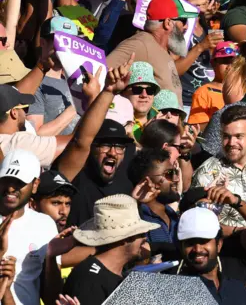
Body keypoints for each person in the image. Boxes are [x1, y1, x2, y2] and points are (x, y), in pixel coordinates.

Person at [53, 56, 136, 226]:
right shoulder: (76, 172)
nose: (112, 152)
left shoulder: (130, 171)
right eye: (105, 145)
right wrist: (109, 91)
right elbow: (81, 142)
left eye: (119, 146)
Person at [63, 194, 159, 304]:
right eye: (141, 233)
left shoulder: (108, 274)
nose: (145, 238)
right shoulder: (90, 281)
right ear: (125, 238)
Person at [192, 106, 246, 228]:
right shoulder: (208, 171)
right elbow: (198, 220)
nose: (231, 143)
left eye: (238, 136)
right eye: (226, 136)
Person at [107, 0, 197, 104]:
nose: (186, 27)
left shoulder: (162, 49)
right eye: (183, 21)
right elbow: (101, 72)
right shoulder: (139, 44)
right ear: (168, 23)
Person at [0, 149, 61, 305]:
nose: (11, 188)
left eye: (19, 182)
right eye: (6, 180)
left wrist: (51, 257)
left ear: (35, 185)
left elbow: (51, 297)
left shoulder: (45, 225)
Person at [176, 207, 246, 304]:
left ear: (219, 244)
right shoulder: (175, 292)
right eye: (190, 243)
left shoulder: (236, 289)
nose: (198, 249)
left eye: (204, 241)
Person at [26, 17, 80, 136]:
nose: (67, 47)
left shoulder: (80, 80)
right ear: (43, 42)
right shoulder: (34, 83)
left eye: (72, 42)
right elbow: (35, 135)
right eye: (61, 41)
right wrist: (76, 107)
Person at [128, 148, 181, 260]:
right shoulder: (134, 221)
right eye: (169, 174)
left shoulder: (174, 216)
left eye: (175, 172)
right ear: (147, 181)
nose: (176, 179)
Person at [0, 84, 70, 168]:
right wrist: (80, 106)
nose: (26, 113)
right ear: (14, 113)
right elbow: (77, 142)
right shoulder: (18, 143)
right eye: (25, 108)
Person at [188, 41, 237, 129]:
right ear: (213, 63)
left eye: (234, 63)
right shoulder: (203, 92)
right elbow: (197, 128)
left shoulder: (244, 91)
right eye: (225, 61)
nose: (229, 67)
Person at [120, 61, 160, 142]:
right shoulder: (113, 119)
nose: (144, 95)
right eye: (137, 89)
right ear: (123, 92)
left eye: (150, 90)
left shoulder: (163, 122)